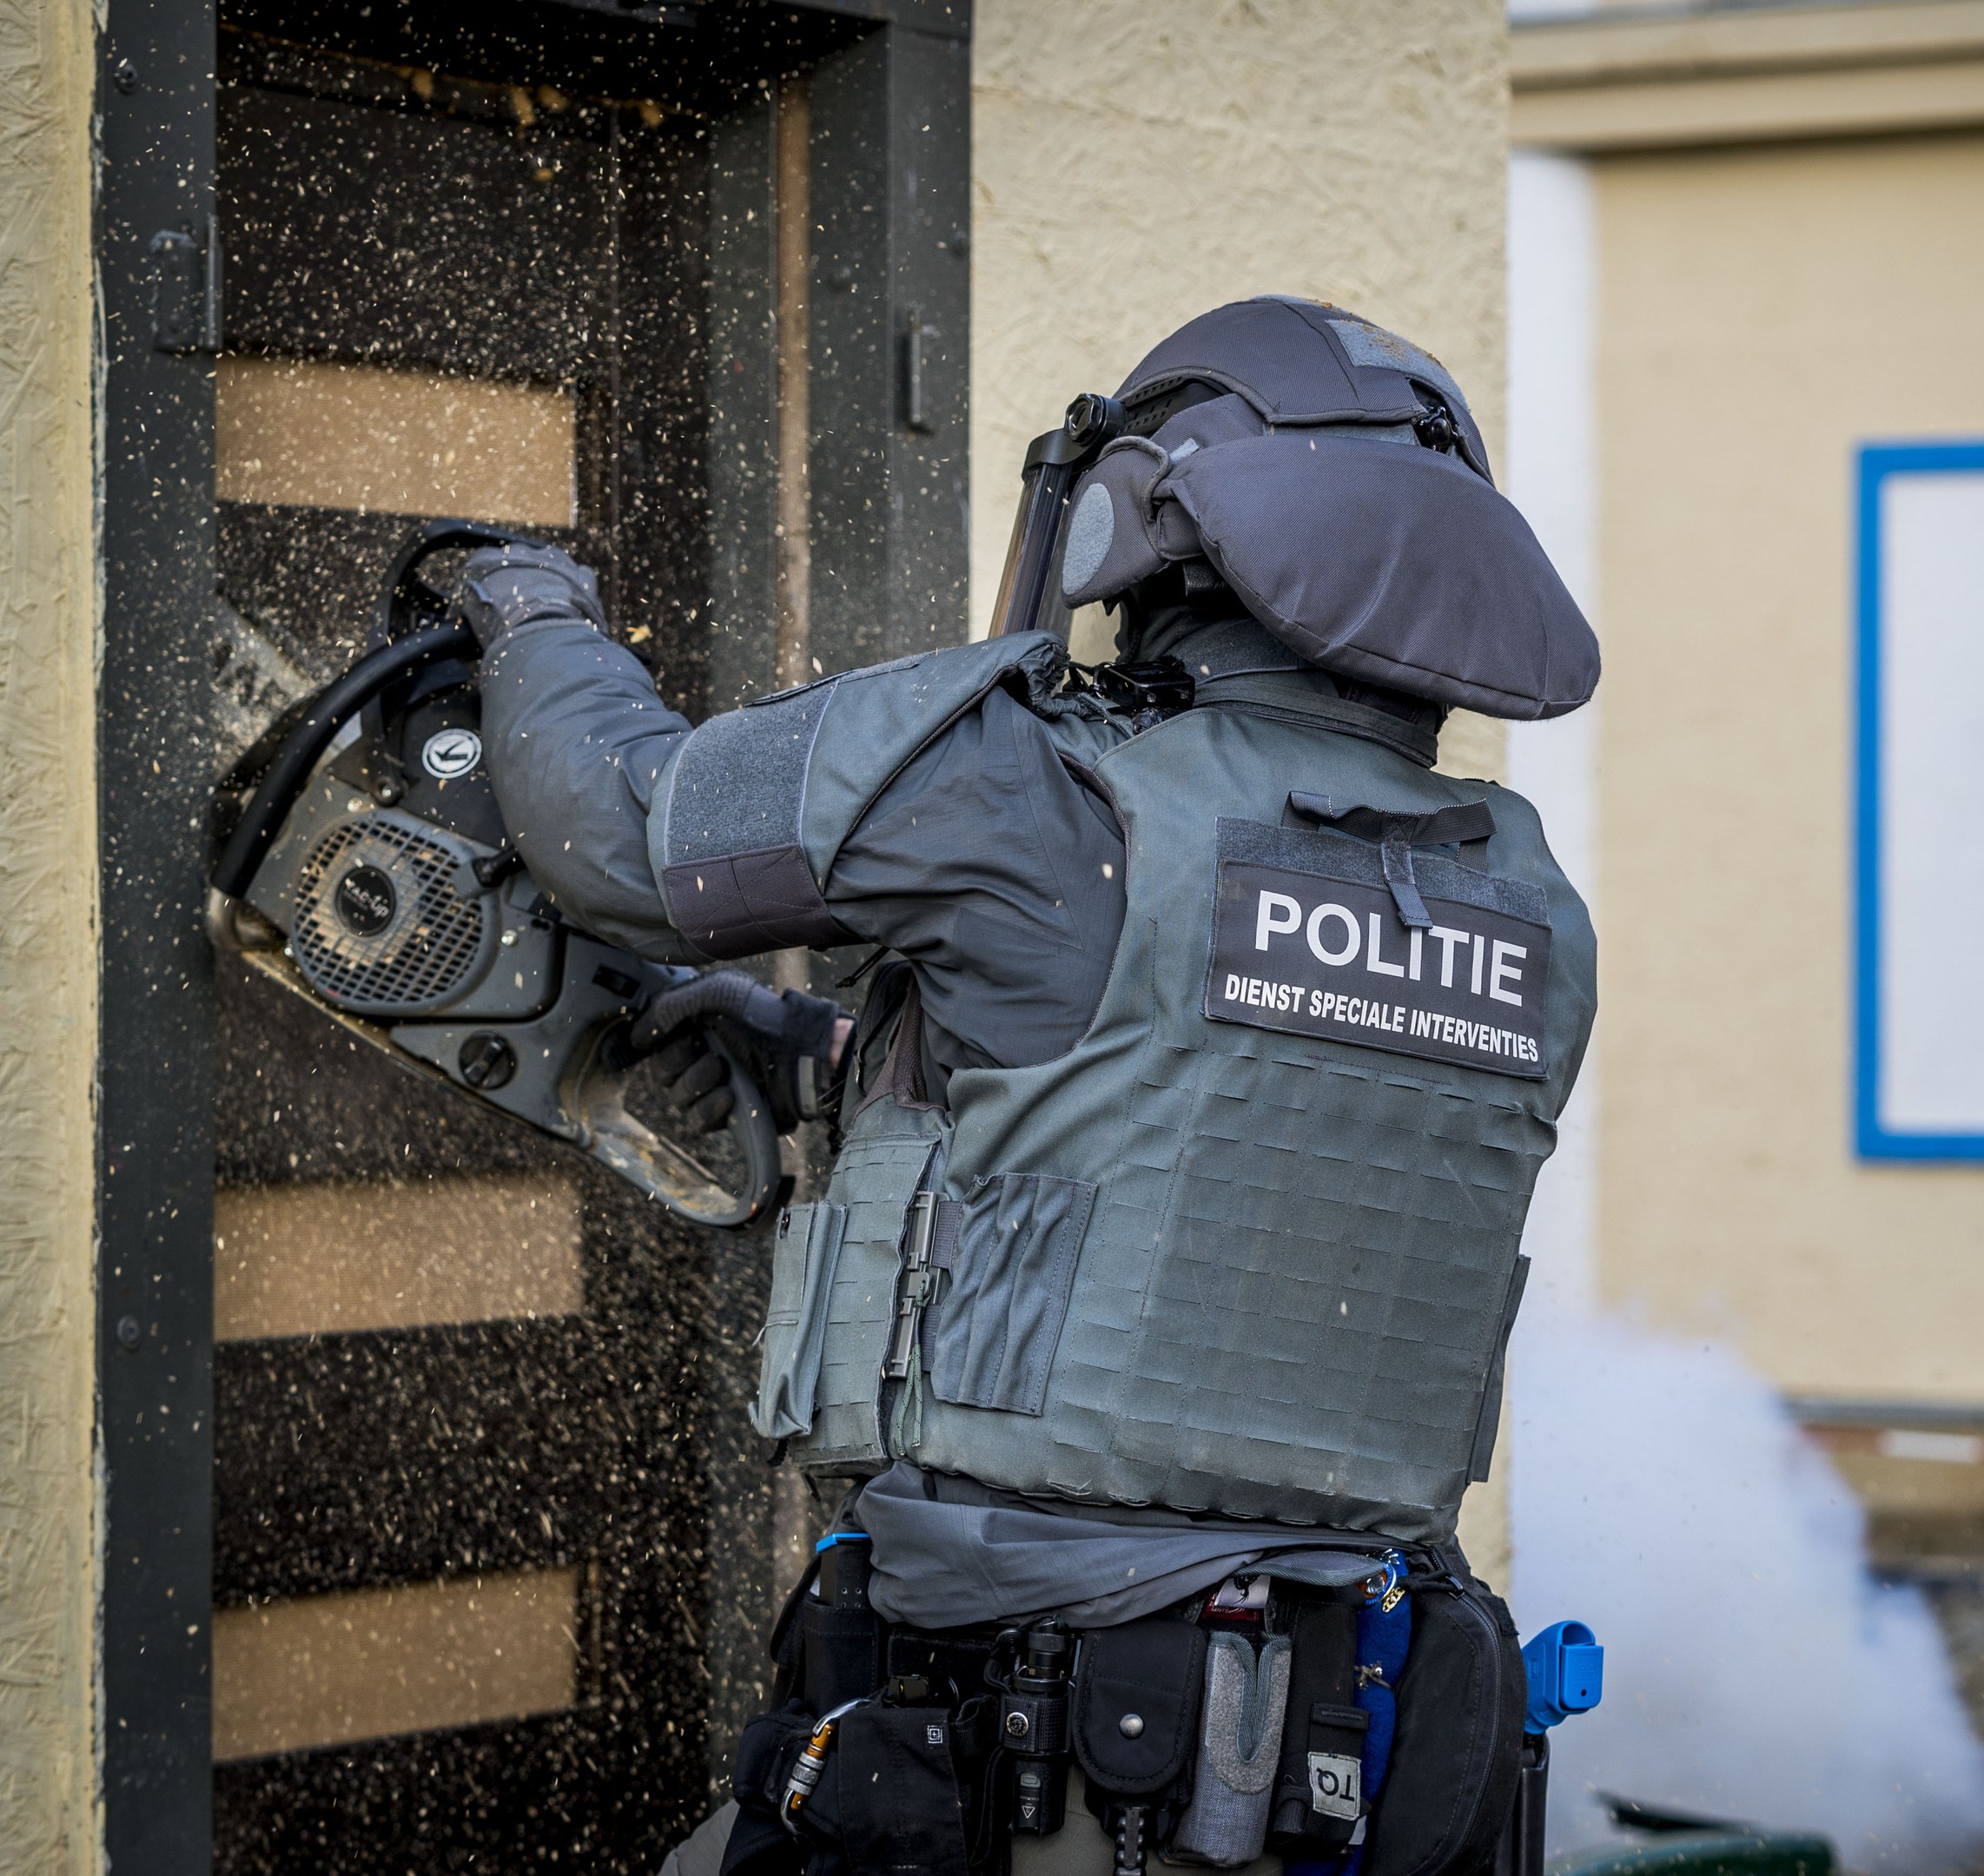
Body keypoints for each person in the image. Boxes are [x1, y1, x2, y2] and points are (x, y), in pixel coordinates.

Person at [457, 298, 1601, 1874]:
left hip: (1041, 1733)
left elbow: (606, 827)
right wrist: (835, 1071)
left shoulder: (1043, 787)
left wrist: (526, 608)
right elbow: (1189, 1128)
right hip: (1355, 1723)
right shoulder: (1523, 906)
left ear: (1149, 533)